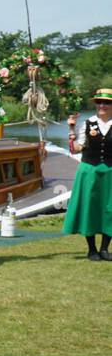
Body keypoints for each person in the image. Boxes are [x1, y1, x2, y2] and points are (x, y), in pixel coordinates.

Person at [63, 90, 112, 260]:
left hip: (110, 171)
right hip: (89, 170)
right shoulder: (88, 123)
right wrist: (71, 129)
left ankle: (105, 249)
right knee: (89, 207)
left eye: (106, 103)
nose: (102, 106)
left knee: (110, 209)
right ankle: (92, 249)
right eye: (99, 102)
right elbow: (77, 148)